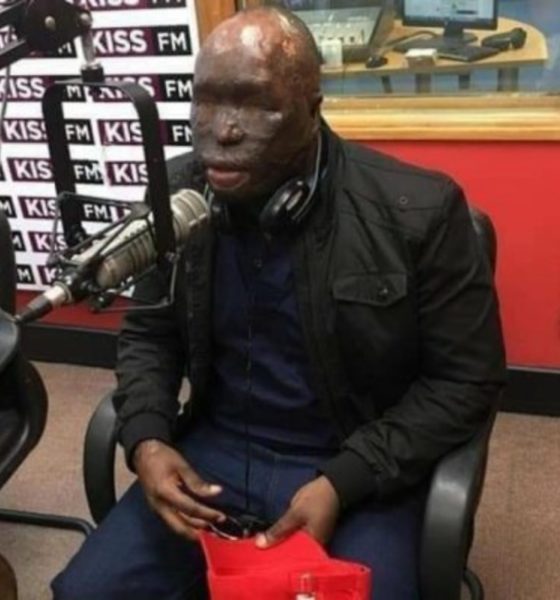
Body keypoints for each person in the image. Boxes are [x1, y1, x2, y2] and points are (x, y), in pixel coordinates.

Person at [52, 6, 505, 600]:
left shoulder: (419, 212)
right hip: (211, 454)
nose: (223, 130)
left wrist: (344, 481)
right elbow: (149, 333)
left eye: (254, 104)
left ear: (312, 110)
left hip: (359, 464)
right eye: (206, 101)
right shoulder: (182, 193)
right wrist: (146, 439)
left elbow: (465, 380)